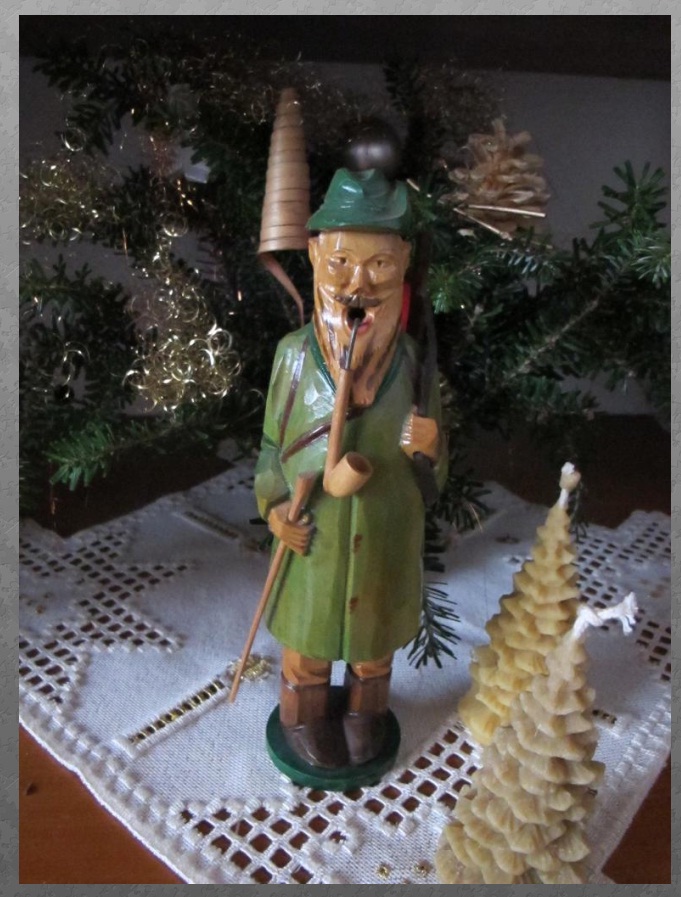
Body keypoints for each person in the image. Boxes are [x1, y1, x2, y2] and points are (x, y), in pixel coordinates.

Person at [254, 167, 447, 770]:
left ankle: (367, 713)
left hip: (386, 540)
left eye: (380, 265)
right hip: (316, 540)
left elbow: (436, 478)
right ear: (314, 255)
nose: (358, 284)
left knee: (373, 650)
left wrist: (431, 448)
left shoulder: (413, 365)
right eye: (341, 262)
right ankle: (303, 717)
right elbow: (270, 451)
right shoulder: (292, 358)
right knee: (308, 647)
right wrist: (276, 510)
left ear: (405, 262)